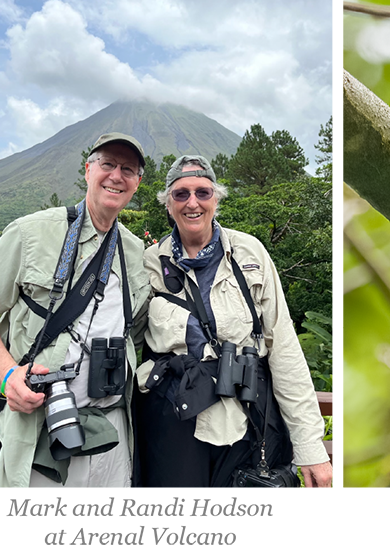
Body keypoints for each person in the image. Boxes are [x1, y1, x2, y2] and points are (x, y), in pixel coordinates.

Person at [0, 133, 151, 487]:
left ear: (137, 183)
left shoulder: (136, 252)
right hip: (38, 432)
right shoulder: (32, 232)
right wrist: (7, 375)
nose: (116, 176)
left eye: (128, 169)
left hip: (111, 432)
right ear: (88, 169)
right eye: (107, 164)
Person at [135, 155, 332, 487]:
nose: (192, 203)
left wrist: (311, 448)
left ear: (217, 200)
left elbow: (283, 348)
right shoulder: (149, 263)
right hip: (173, 425)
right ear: (168, 205)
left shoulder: (249, 254)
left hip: (246, 421)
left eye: (203, 192)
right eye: (181, 194)